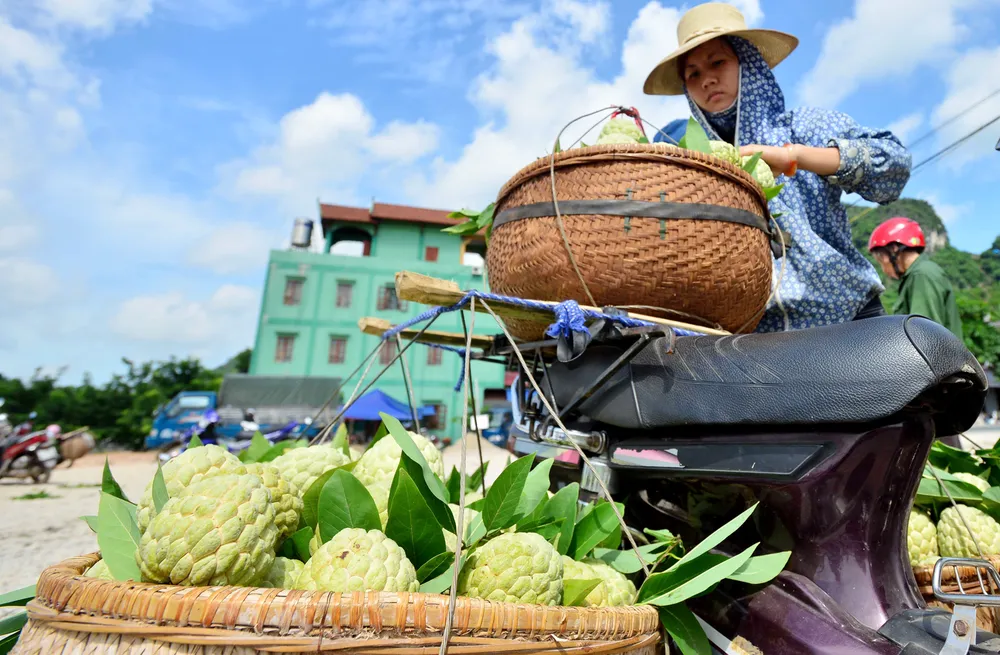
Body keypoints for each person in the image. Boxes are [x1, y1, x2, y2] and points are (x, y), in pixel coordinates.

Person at [642, 2, 912, 332]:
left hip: (847, 320)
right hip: (758, 343)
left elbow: (893, 165)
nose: (707, 79)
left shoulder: (804, 127)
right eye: (693, 73)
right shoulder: (693, 164)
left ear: (748, 63)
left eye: (718, 62)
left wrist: (790, 157)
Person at [868, 217, 963, 338]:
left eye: (880, 260)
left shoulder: (921, 275)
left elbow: (925, 335)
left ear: (894, 250)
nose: (883, 268)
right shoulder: (919, 274)